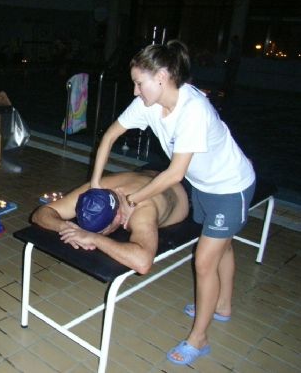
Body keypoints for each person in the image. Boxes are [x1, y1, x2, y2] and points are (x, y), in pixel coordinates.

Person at [90, 40, 256, 365]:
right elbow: (110, 136)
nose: (135, 91)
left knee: (205, 261)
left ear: (162, 77)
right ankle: (221, 305)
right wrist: (96, 185)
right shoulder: (148, 105)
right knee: (223, 246)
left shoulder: (193, 110)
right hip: (204, 186)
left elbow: (174, 173)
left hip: (231, 187)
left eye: (139, 82)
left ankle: (200, 337)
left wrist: (131, 200)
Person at [32, 170, 189, 274]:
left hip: (180, 188)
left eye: (102, 230)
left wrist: (94, 238)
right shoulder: (95, 191)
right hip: (149, 175)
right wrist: (65, 226)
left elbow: (143, 263)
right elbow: (40, 214)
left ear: (118, 218)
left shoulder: (143, 211)